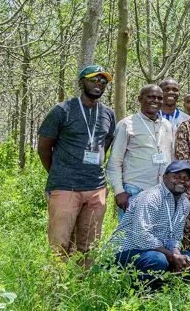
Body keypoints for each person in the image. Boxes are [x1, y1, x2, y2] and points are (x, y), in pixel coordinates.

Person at [38, 65, 117, 268]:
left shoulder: (108, 113)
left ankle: (83, 283)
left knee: (89, 245)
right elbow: (44, 148)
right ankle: (57, 284)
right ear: (82, 82)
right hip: (65, 186)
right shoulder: (62, 110)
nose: (99, 84)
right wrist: (58, 172)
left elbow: (106, 142)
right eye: (93, 79)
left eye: (103, 81)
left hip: (96, 187)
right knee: (60, 244)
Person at [110, 161, 190, 282]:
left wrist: (176, 254)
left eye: (186, 179)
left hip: (156, 252)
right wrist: (171, 256)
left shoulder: (184, 203)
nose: (182, 181)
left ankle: (169, 289)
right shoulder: (151, 196)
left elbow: (175, 236)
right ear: (164, 177)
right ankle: (141, 292)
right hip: (125, 252)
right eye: (177, 177)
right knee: (158, 259)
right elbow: (141, 237)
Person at [107, 84, 175, 219]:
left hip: (162, 191)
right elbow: (115, 160)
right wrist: (119, 191)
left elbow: (172, 157)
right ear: (140, 99)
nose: (155, 101)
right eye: (151, 97)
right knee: (131, 231)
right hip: (134, 190)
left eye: (159, 98)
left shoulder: (167, 125)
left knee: (157, 231)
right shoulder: (127, 124)